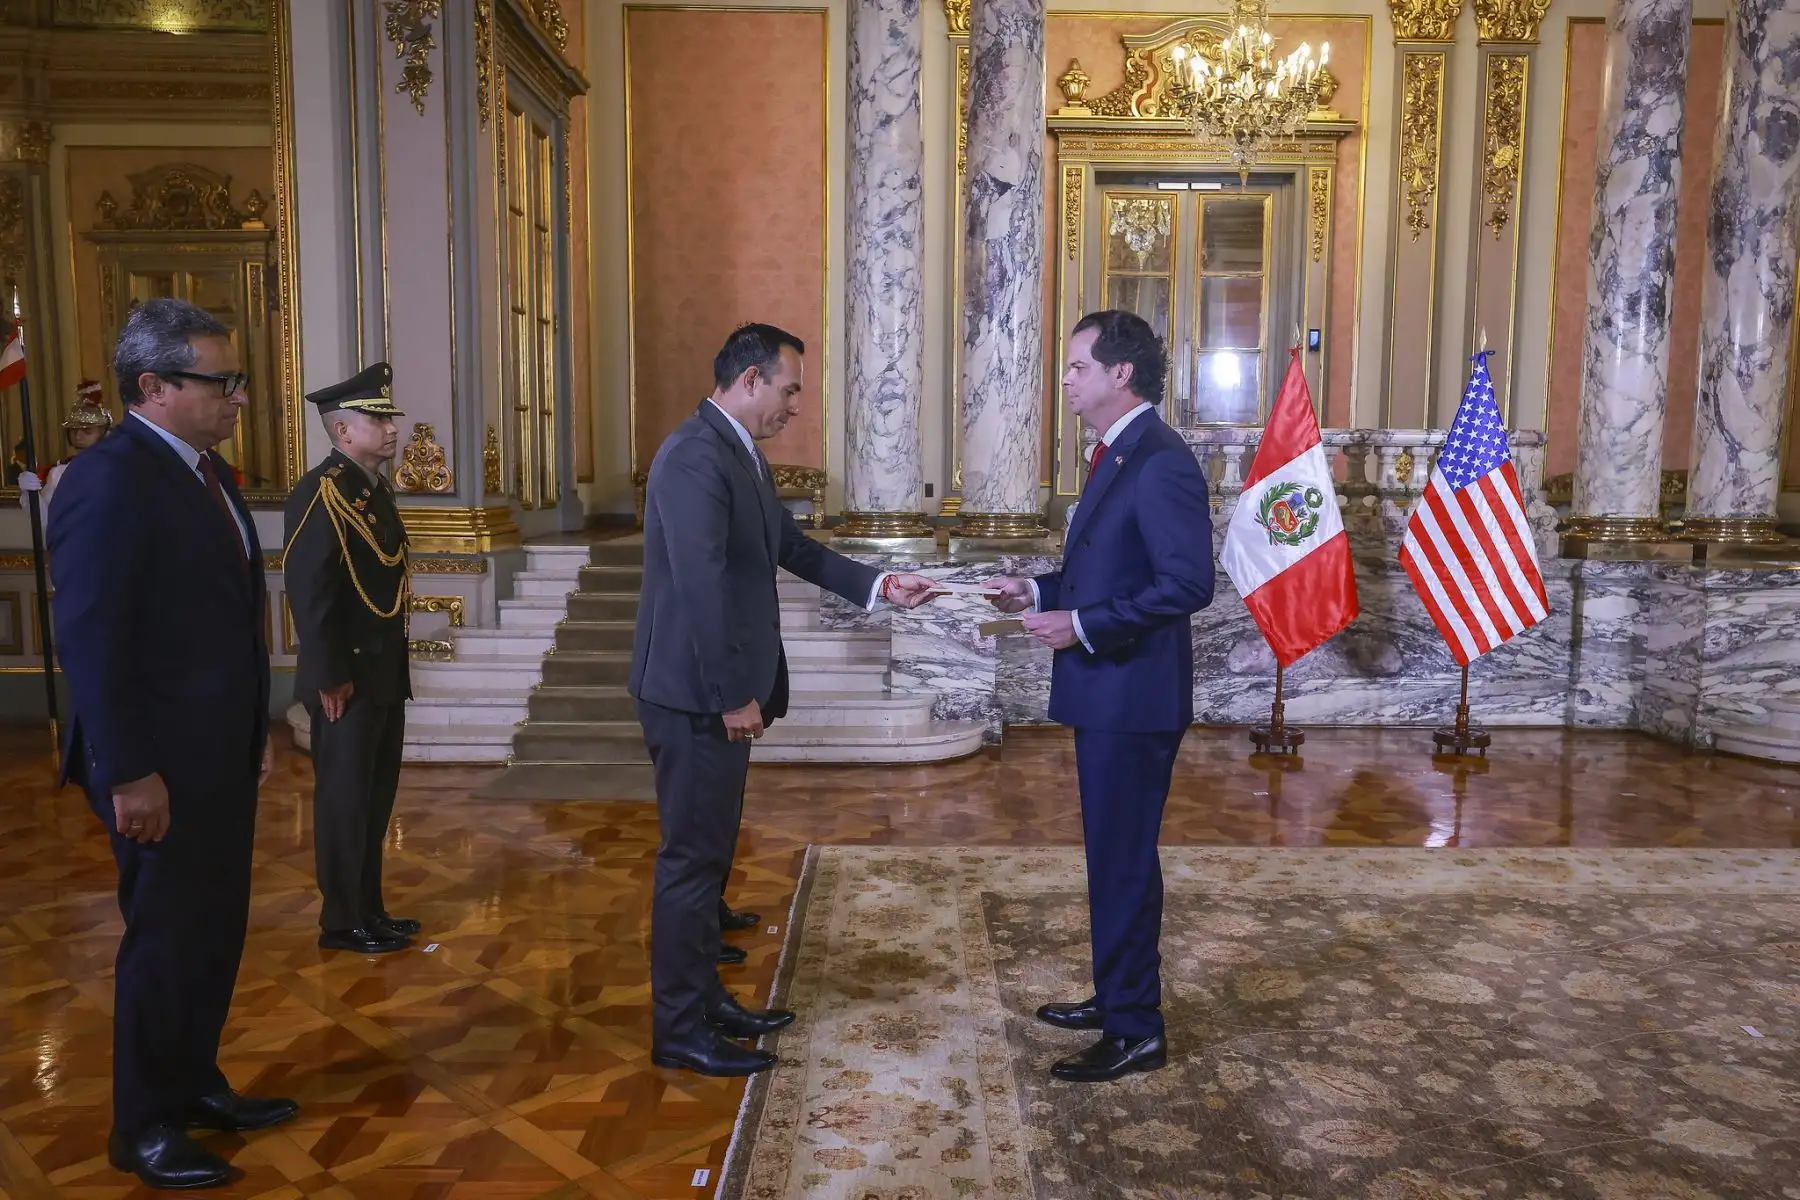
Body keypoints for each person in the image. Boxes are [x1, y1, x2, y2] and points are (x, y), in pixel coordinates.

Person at [631, 323, 941, 1077]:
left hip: (711, 692)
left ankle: (707, 1001)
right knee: (691, 863)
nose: (795, 405)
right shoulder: (694, 456)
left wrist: (880, 584)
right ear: (749, 380)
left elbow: (791, 549)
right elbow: (700, 585)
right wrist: (732, 692)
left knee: (711, 858)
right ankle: (679, 1028)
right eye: (790, 388)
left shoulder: (737, 453)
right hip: (695, 694)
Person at [48, 298, 292, 1189]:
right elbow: (93, 640)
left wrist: (255, 728)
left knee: (212, 928)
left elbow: (227, 621)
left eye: (237, 380)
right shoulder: (108, 480)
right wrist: (129, 772)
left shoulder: (207, 472)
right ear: (152, 387)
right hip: (153, 764)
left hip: (215, 751)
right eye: (221, 381)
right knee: (165, 937)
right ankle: (143, 1126)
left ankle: (194, 1085)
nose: (239, 396)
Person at [986, 309, 1214, 1083]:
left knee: (1121, 861)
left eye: (1078, 366)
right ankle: (1119, 997)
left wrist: (1080, 625)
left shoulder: (1159, 461)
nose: (1067, 379)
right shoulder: (1118, 452)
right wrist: (1035, 591)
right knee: (1115, 857)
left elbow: (1187, 584)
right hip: (1111, 692)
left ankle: (1135, 1029)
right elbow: (1105, 571)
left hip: (1133, 697)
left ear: (1122, 373)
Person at [283, 362, 417, 955]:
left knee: (374, 796)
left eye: (390, 419)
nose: (391, 429)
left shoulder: (371, 490)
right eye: (377, 419)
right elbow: (310, 591)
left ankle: (370, 908)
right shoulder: (322, 492)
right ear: (342, 431)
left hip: (381, 671)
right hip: (346, 679)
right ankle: (342, 921)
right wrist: (328, 675)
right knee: (344, 801)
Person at [17, 380, 113, 517]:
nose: (78, 436)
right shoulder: (59, 473)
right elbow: (45, 519)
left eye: (87, 430)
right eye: (74, 430)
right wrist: (30, 493)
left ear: (104, 432)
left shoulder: (122, 468)